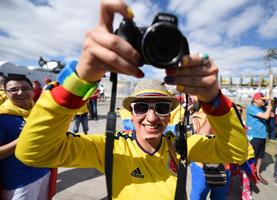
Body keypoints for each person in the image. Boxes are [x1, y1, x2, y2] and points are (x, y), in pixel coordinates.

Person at [15, 1, 248, 199]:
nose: (152, 116)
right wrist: (80, 80)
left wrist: (214, 100)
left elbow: (237, 154)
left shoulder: (180, 146)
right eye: (142, 107)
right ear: (131, 112)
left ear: (171, 113)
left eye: (162, 107)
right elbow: (32, 153)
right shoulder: (110, 147)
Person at [0, 76, 51, 200]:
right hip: (19, 182)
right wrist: (25, 139)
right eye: (13, 90)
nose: (20, 92)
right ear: (5, 93)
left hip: (44, 173)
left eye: (25, 88)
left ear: (33, 91)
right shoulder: (2, 117)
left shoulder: (38, 112)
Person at [246, 92, 272, 185]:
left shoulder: (261, 108)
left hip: (262, 136)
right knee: (251, 157)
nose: (264, 101)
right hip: (254, 137)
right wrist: (269, 107)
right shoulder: (251, 108)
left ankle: (257, 174)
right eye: (263, 100)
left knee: (260, 156)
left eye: (265, 100)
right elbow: (266, 116)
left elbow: (272, 115)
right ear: (255, 100)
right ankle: (247, 176)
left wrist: (268, 106)